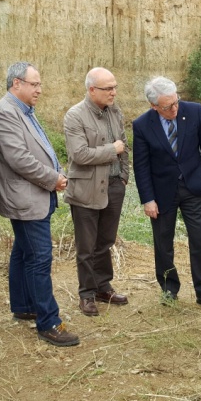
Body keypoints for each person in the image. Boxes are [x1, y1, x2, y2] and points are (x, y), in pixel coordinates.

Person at [0, 62, 80, 346]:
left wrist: (55, 172)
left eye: (39, 84)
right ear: (16, 84)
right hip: (24, 197)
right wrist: (54, 179)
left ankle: (24, 305)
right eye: (34, 84)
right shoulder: (4, 113)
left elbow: (39, 149)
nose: (40, 89)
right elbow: (19, 159)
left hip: (32, 194)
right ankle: (48, 321)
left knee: (24, 252)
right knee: (39, 257)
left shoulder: (21, 110)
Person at [132, 76, 201, 312]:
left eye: (176, 102)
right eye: (167, 107)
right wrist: (148, 199)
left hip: (195, 187)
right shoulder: (142, 125)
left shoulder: (194, 111)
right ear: (153, 107)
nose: (174, 109)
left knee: (200, 240)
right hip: (162, 194)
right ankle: (169, 289)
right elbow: (141, 166)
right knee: (163, 244)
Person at [64, 68, 129, 316]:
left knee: (105, 242)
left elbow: (125, 144)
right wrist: (112, 150)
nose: (114, 92)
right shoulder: (75, 116)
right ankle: (87, 294)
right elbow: (79, 155)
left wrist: (123, 177)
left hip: (114, 186)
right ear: (92, 90)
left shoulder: (115, 111)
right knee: (86, 246)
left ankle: (103, 287)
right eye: (108, 88)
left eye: (115, 87)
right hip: (85, 190)